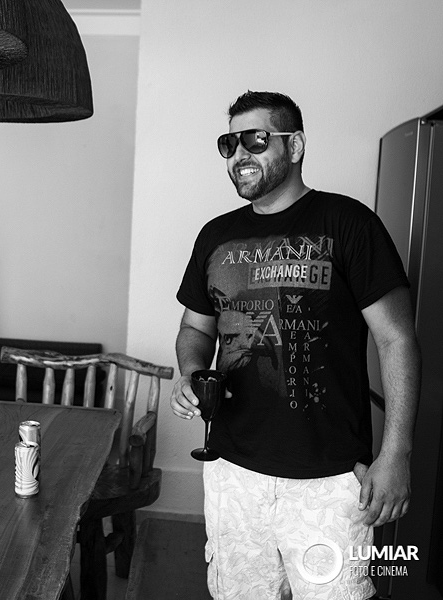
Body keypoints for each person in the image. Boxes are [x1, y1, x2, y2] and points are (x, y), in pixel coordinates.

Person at [171, 91, 420, 599]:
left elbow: (396, 338)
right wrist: (191, 373)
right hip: (232, 471)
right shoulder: (215, 236)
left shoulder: (349, 224)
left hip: (329, 480)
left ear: (296, 145)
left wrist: (397, 452)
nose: (239, 155)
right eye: (229, 144)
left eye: (256, 140)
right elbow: (195, 329)